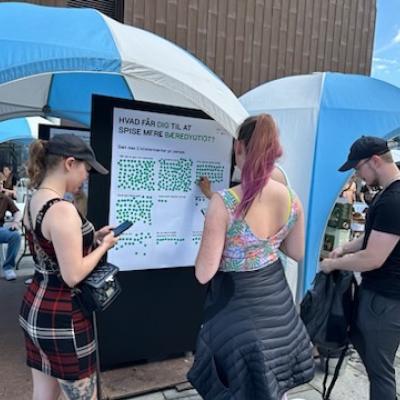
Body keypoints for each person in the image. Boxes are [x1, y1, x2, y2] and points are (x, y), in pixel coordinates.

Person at [188, 114, 314, 400]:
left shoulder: (224, 201)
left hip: (237, 317)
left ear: (239, 147)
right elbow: (296, 251)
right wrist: (265, 243)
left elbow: (203, 273)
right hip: (279, 314)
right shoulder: (293, 198)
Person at [19, 134, 119, 400]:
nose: (85, 177)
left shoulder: (35, 199)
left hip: (35, 309)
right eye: (85, 169)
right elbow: (73, 274)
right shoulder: (62, 209)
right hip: (64, 318)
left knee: (44, 393)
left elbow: (52, 247)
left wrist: (93, 236)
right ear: (70, 163)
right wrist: (104, 246)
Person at [321, 136, 400, 400]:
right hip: (379, 296)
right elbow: (372, 238)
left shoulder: (393, 201)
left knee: (380, 374)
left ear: (375, 161)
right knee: (366, 351)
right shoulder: (387, 196)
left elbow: (373, 257)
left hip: (385, 300)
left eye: (358, 168)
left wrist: (333, 264)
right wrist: (344, 249)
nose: (357, 174)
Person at [0, 187, 22, 281]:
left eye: (1, 183)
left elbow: (17, 212)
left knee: (15, 235)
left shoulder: (4, 198)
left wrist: (15, 222)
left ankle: (8, 267)